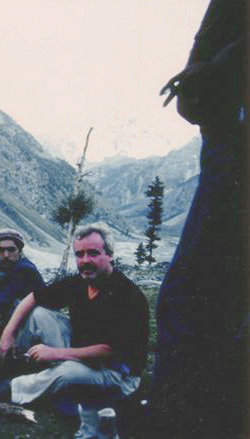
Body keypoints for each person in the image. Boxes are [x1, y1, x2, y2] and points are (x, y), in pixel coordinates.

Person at [152, 1, 247, 437]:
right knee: (210, 300)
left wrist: (204, 74)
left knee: (189, 298)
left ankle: (181, 419)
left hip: (235, 141)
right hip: (225, 137)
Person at [0, 225, 149, 439]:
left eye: (93, 253)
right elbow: (34, 297)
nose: (85, 260)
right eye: (80, 254)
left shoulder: (127, 295)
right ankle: (16, 364)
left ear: (109, 255)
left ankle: (7, 390)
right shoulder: (81, 280)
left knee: (67, 372)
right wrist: (7, 335)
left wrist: (55, 354)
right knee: (38, 314)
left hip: (117, 372)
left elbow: (110, 350)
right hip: (81, 350)